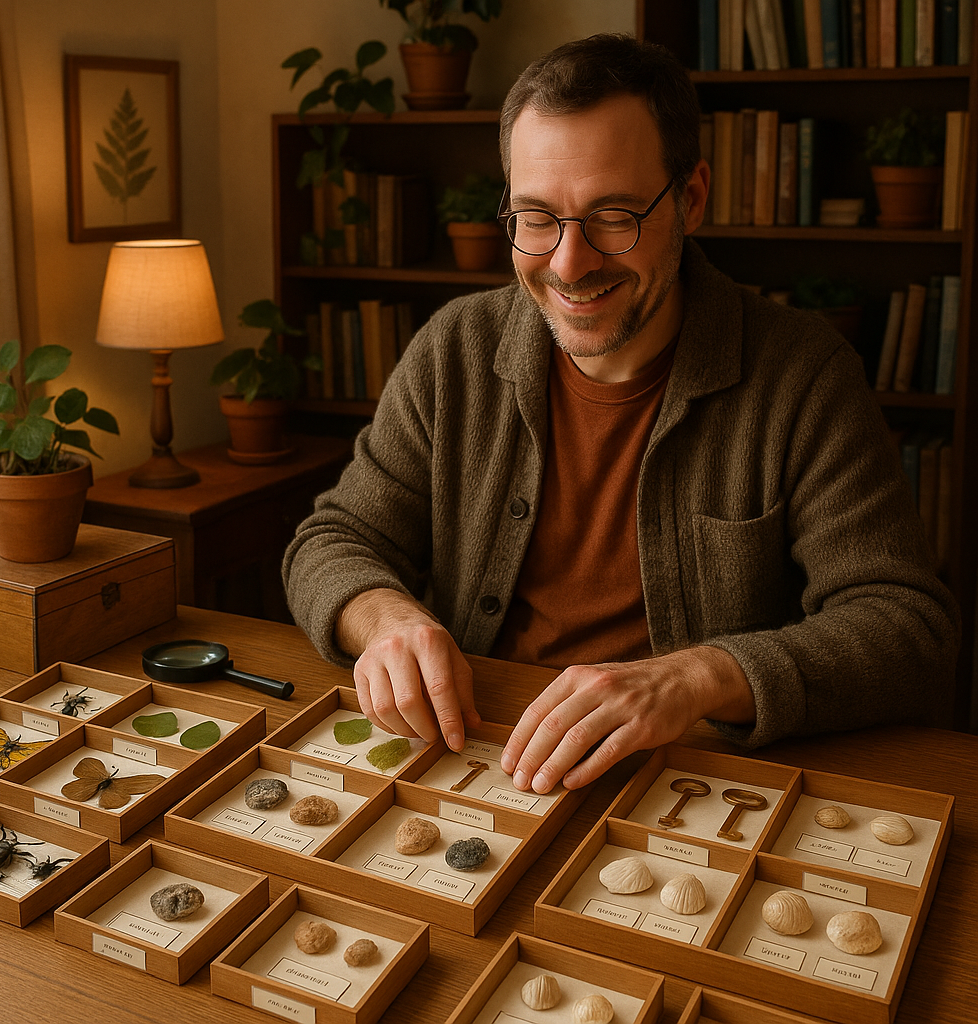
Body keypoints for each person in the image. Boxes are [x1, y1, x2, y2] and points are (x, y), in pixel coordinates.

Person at [284, 34, 959, 795]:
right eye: (537, 218)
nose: (569, 264)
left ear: (692, 198)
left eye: (613, 216)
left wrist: (698, 676)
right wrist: (383, 618)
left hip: (684, 777)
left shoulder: (803, 376)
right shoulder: (454, 350)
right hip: (476, 752)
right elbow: (333, 539)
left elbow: (907, 630)